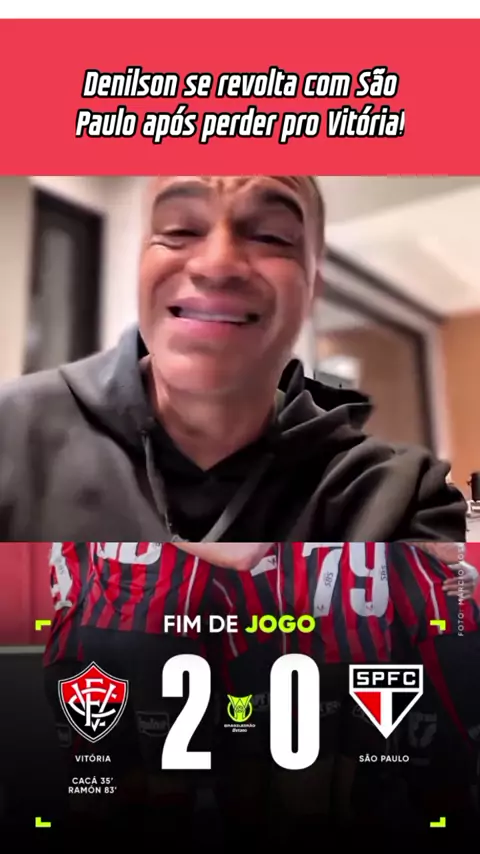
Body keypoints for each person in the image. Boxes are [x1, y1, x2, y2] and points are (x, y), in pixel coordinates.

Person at [0, 176, 466, 541]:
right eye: (180, 230)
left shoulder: (400, 498)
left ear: (313, 288)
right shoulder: (11, 435)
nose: (217, 265)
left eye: (270, 236)